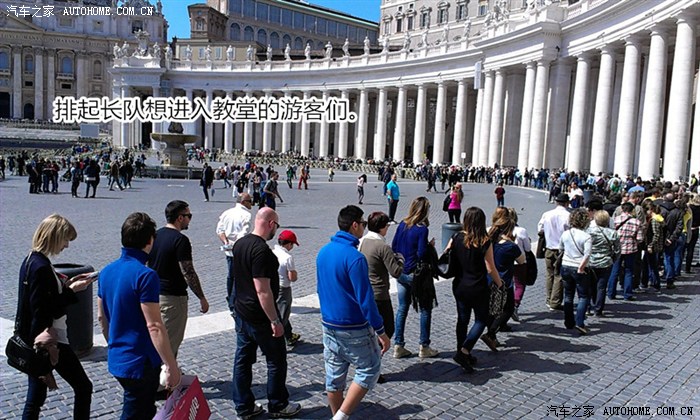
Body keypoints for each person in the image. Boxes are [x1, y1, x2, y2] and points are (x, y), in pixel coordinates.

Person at [98, 212, 181, 419]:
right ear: (150, 241)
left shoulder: (106, 271)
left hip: (118, 357)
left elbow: (102, 318)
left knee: (143, 408)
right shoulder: (145, 275)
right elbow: (154, 326)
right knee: (135, 411)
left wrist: (114, 344)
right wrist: (171, 365)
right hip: (140, 361)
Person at [317, 205, 391, 419]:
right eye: (363, 223)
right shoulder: (355, 258)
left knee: (334, 377)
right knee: (370, 368)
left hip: (329, 324)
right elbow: (366, 300)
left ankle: (336, 414)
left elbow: (320, 288)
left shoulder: (323, 251)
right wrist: (381, 331)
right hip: (353, 326)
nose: (364, 227)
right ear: (355, 225)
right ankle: (340, 417)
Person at [17, 214, 94, 419]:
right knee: (83, 386)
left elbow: (42, 299)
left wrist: (65, 286)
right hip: (49, 340)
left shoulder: (31, 260)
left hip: (37, 339)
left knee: (36, 397)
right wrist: (72, 291)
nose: (66, 245)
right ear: (55, 237)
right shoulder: (41, 267)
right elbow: (44, 309)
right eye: (65, 239)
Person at [230, 208, 301, 419]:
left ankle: (244, 406)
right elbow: (262, 290)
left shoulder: (240, 243)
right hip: (260, 317)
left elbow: (235, 279)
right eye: (276, 225)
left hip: (242, 312)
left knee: (242, 360)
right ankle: (278, 404)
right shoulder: (262, 251)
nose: (275, 230)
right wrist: (275, 320)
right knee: (276, 360)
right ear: (270, 223)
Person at [444, 207, 504, 372]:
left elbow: (446, 253)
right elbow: (490, 268)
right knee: (481, 320)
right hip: (478, 287)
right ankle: (465, 351)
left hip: (460, 285)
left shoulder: (456, 237)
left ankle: (461, 350)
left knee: (462, 320)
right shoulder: (484, 241)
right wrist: (499, 283)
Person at [147, 200, 209, 359]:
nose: (190, 219)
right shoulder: (180, 240)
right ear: (180, 218)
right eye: (189, 216)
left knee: (157, 341)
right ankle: (166, 373)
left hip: (153, 296)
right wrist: (201, 297)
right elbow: (188, 272)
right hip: (173, 299)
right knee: (168, 347)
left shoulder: (155, 235)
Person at [391, 196, 439, 359]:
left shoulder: (402, 224)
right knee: (425, 309)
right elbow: (421, 253)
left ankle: (398, 345)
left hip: (401, 272)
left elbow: (394, 246)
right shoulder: (421, 229)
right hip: (415, 274)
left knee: (402, 308)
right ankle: (424, 346)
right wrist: (429, 246)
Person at [359, 211, 405, 342]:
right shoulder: (383, 247)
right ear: (381, 227)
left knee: (370, 328)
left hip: (365, 291)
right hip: (380, 294)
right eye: (387, 226)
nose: (387, 228)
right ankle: (375, 352)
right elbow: (396, 272)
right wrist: (401, 260)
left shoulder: (362, 241)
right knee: (388, 329)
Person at [482, 208, 524, 345]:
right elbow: (522, 260)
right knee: (508, 308)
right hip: (504, 281)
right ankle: (491, 333)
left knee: (491, 309)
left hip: (488, 279)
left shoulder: (489, 240)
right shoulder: (510, 246)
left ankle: (492, 335)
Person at [216, 193, 253, 314]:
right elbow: (244, 233)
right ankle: (233, 304)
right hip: (240, 250)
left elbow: (219, 230)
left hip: (228, 250)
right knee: (239, 277)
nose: (252, 203)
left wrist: (226, 242)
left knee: (230, 276)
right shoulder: (246, 215)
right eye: (250, 201)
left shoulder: (227, 213)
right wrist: (236, 244)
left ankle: (230, 301)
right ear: (243, 202)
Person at [559, 209, 593, 335]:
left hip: (565, 265)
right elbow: (587, 254)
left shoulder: (565, 234)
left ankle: (568, 322)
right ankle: (580, 322)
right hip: (579, 267)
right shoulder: (586, 236)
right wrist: (581, 267)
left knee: (568, 295)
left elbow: (561, 248)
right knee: (583, 296)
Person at [537, 193, 570, 311]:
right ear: (567, 203)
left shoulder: (547, 214)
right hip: (562, 249)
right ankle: (555, 302)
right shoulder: (568, 216)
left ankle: (549, 298)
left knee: (549, 274)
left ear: (556, 202)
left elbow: (540, 229)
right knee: (559, 275)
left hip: (549, 248)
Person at [586, 210, 620, 316]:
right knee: (601, 287)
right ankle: (598, 310)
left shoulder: (588, 231)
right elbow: (618, 250)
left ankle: (587, 308)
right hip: (605, 262)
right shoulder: (612, 233)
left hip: (590, 261)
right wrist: (613, 259)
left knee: (589, 285)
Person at [607, 202, 643, 300]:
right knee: (629, 271)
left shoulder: (614, 220)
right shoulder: (636, 222)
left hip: (617, 248)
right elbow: (640, 238)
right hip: (630, 249)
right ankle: (627, 294)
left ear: (622, 209)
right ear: (632, 210)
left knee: (614, 271)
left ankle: (611, 293)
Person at [273, 229, 302, 347]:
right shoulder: (287, 257)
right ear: (289, 244)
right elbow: (292, 277)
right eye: (292, 244)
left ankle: (289, 335)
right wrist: (295, 273)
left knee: (277, 311)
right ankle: (277, 341)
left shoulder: (272, 252)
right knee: (283, 315)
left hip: (272, 286)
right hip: (284, 288)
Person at [509, 208, 531, 322]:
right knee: (520, 285)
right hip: (519, 262)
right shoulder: (521, 231)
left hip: (503, 262)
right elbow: (528, 248)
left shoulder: (496, 230)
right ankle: (515, 305)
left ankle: (504, 307)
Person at [685, 194, 700, 274]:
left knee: (683, 249)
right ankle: (688, 268)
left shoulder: (688, 207)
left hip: (687, 229)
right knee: (691, 249)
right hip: (695, 229)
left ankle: (678, 268)